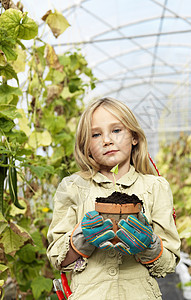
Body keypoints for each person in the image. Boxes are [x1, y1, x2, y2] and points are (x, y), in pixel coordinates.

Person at [47, 97, 181, 300]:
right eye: (95, 134)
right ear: (86, 145)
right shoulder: (72, 187)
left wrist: (149, 244)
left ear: (134, 137)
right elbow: (58, 259)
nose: (107, 140)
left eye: (116, 130)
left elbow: (169, 263)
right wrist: (81, 237)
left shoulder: (155, 187)